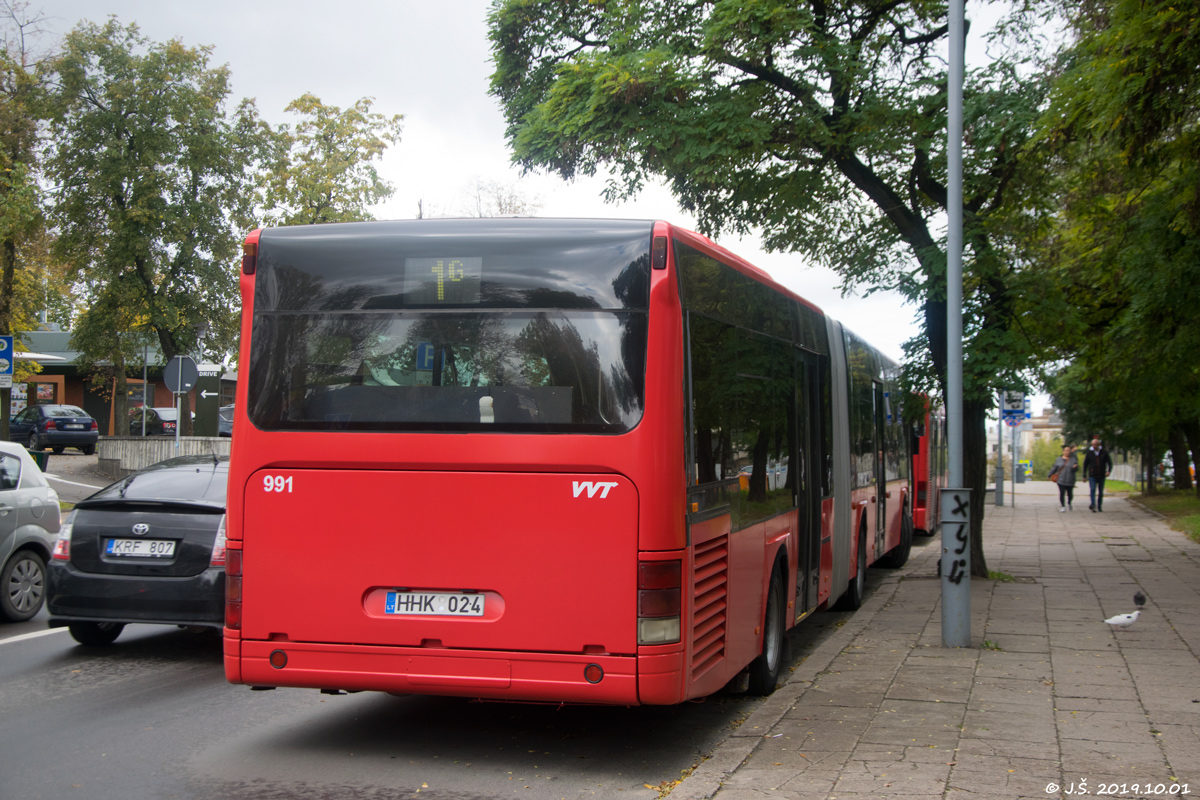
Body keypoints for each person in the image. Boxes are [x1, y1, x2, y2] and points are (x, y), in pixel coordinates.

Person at [1082, 437, 1114, 512]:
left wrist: (1108, 471)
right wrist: (1084, 475)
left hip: (1101, 475)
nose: (1094, 446)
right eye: (1093, 444)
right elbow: (1085, 464)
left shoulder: (1104, 453)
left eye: (1095, 444)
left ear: (1099, 444)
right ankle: (1093, 504)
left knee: (1100, 491)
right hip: (1092, 475)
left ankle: (1099, 505)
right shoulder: (1089, 453)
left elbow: (1109, 463)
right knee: (1093, 489)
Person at [1051, 444, 1078, 512]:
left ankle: (1069, 502)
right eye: (1066, 450)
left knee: (1070, 494)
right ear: (1063, 451)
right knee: (1062, 493)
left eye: (1069, 450)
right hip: (1061, 479)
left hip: (1070, 479)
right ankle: (1063, 505)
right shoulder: (1059, 459)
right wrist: (1049, 475)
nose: (1067, 452)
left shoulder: (1073, 459)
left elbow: (1076, 469)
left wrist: (1075, 467)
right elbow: (1055, 468)